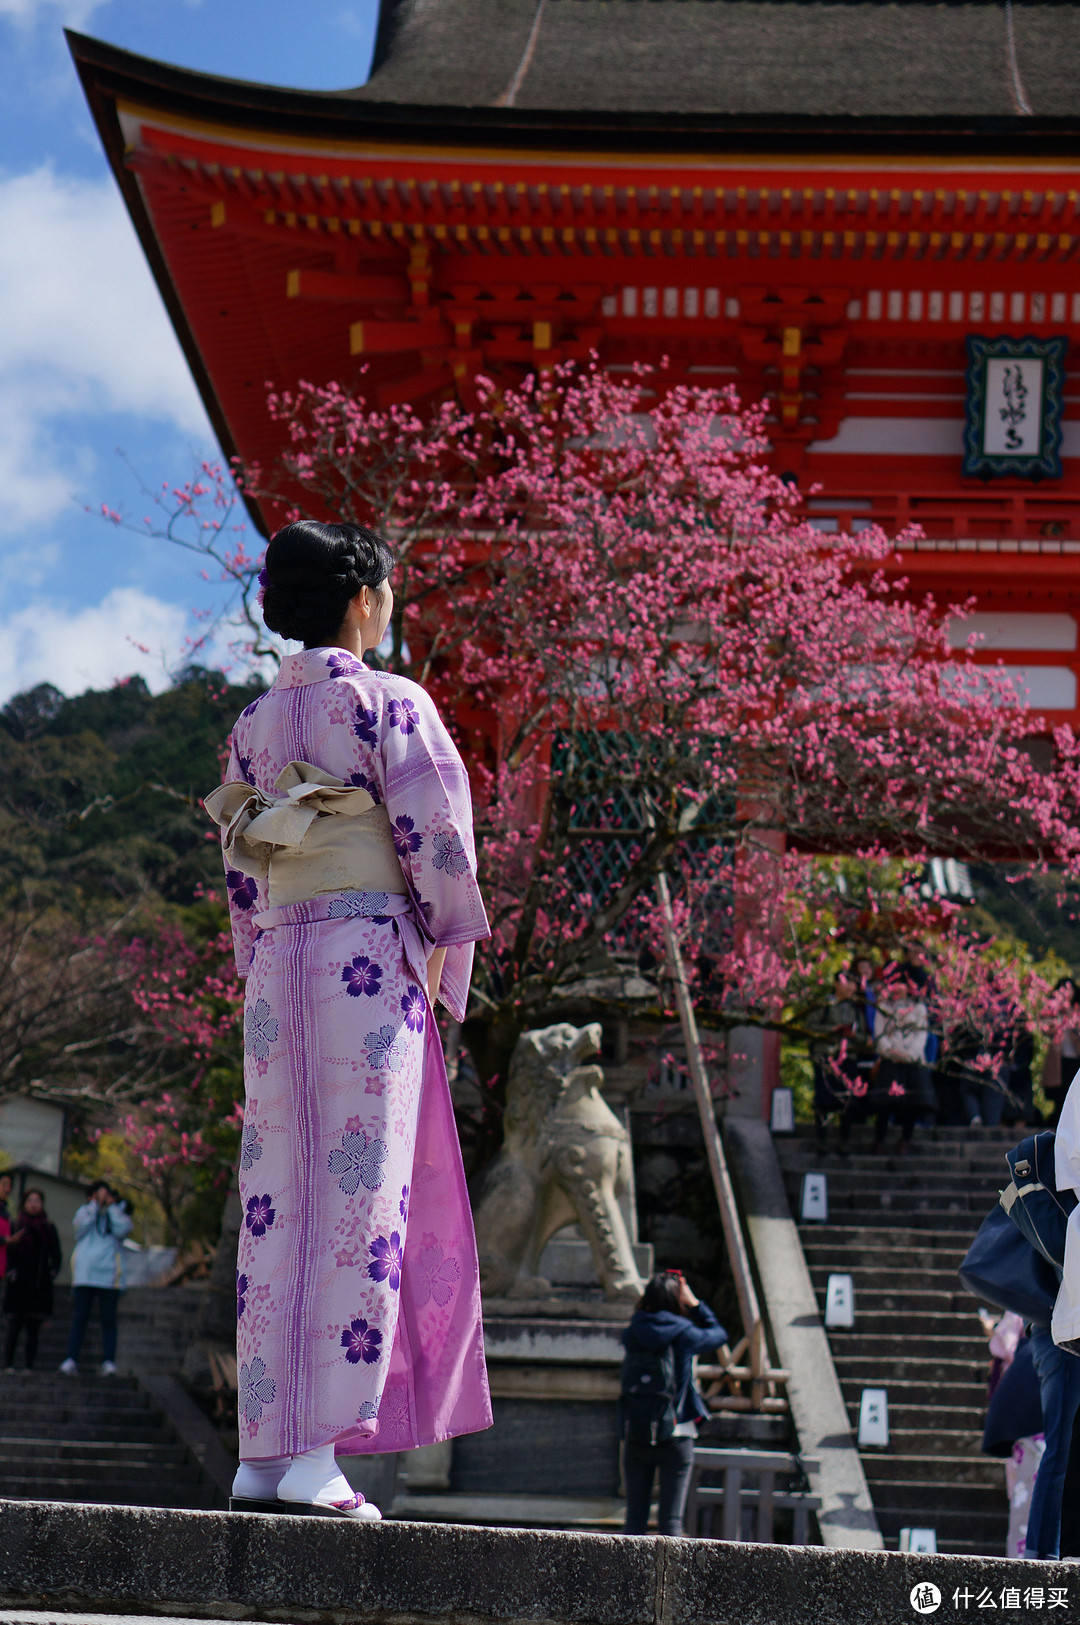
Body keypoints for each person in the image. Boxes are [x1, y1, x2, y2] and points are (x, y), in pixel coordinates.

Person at [205, 520, 492, 1521]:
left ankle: (263, 1449)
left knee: (275, 1199)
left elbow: (245, 863)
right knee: (357, 1197)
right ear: (363, 598)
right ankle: (317, 1451)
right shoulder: (389, 700)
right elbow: (438, 842)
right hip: (367, 959)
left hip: (279, 966)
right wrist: (445, 960)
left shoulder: (252, 725)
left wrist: (260, 962)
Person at [619, 1269, 727, 1536]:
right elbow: (719, 1334)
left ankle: (626, 1578)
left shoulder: (632, 1333)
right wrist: (694, 1304)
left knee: (634, 1521)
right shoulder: (685, 1334)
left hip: (637, 1430)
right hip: (677, 1432)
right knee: (671, 1522)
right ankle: (672, 1578)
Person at [59, 1181, 133, 1376]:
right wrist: (95, 1205)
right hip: (85, 1274)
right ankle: (71, 1359)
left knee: (109, 1320)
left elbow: (123, 1229)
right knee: (79, 1318)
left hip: (109, 1276)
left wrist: (112, 1207)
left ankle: (109, 1361)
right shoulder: (85, 1211)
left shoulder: (115, 1213)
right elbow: (80, 1228)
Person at [807, 968, 867, 1153]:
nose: (850, 987)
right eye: (845, 982)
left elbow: (864, 1037)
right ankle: (821, 1139)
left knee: (847, 1100)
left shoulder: (855, 1010)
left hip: (848, 1057)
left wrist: (853, 1035)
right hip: (826, 1056)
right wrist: (833, 1030)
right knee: (823, 1098)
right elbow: (809, 1027)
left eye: (852, 983)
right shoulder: (824, 1005)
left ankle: (844, 1140)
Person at [870, 967, 929, 1154]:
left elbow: (921, 1035)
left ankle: (905, 1139)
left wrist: (908, 1054)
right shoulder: (884, 1008)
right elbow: (879, 1033)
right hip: (890, 1059)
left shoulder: (919, 1009)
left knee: (911, 1103)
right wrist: (891, 1050)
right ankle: (879, 1139)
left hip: (911, 1061)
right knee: (884, 1103)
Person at [3, 1189, 61, 1371]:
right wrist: (10, 1271)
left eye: (37, 1200)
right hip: (18, 1282)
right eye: (30, 1200)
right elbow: (9, 1253)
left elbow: (56, 1254)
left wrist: (52, 1272)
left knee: (33, 1328)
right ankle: (8, 1364)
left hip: (38, 1283)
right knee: (14, 1327)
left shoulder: (48, 1228)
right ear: (24, 1203)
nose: (34, 1204)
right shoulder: (16, 1226)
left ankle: (29, 1365)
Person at [1041, 978, 1080, 1128]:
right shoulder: (1053, 1011)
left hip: (1075, 1060)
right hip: (1058, 1061)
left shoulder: (1076, 1010)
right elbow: (1045, 1028)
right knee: (1060, 1095)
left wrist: (1071, 1015)